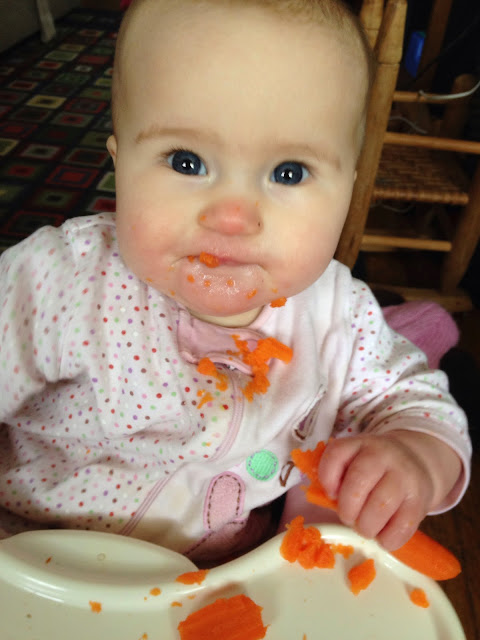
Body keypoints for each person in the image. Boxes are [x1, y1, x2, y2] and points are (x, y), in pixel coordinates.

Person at [0, 0, 471, 565]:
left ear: (348, 188)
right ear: (120, 164)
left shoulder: (336, 314)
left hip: (230, 575)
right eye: (186, 162)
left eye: (288, 173)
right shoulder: (61, 280)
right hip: (34, 567)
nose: (232, 217)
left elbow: (414, 400)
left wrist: (416, 456)